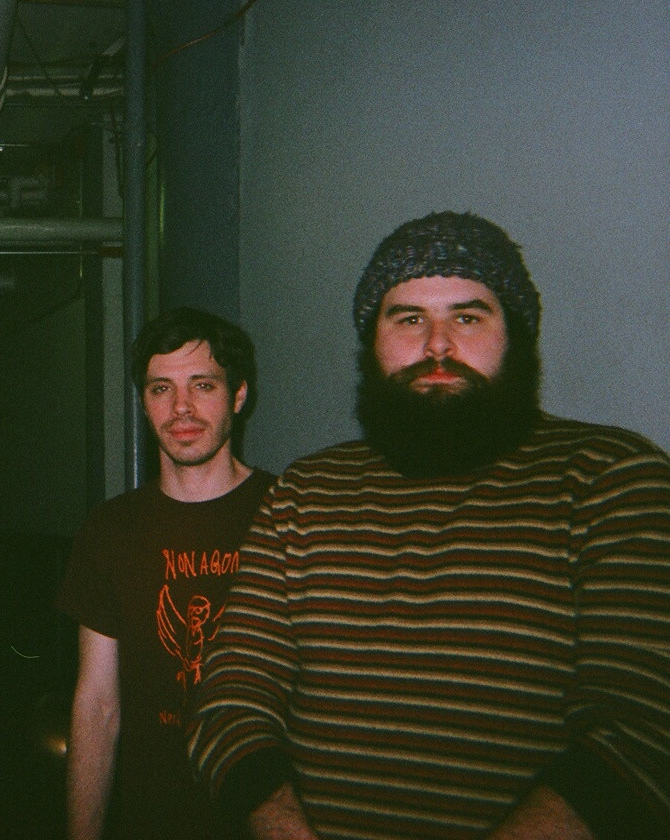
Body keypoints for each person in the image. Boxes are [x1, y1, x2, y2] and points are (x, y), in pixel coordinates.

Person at [189, 212, 670, 840]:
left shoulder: (611, 479)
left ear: (516, 336)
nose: (437, 345)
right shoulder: (305, 492)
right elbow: (230, 701)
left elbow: (642, 730)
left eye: (467, 318)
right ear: (372, 343)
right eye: (409, 319)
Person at [57, 307, 274, 840]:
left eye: (203, 385)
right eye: (161, 389)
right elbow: (97, 705)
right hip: (150, 819)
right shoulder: (110, 529)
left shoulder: (288, 513)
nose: (181, 407)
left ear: (238, 396)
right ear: (143, 401)